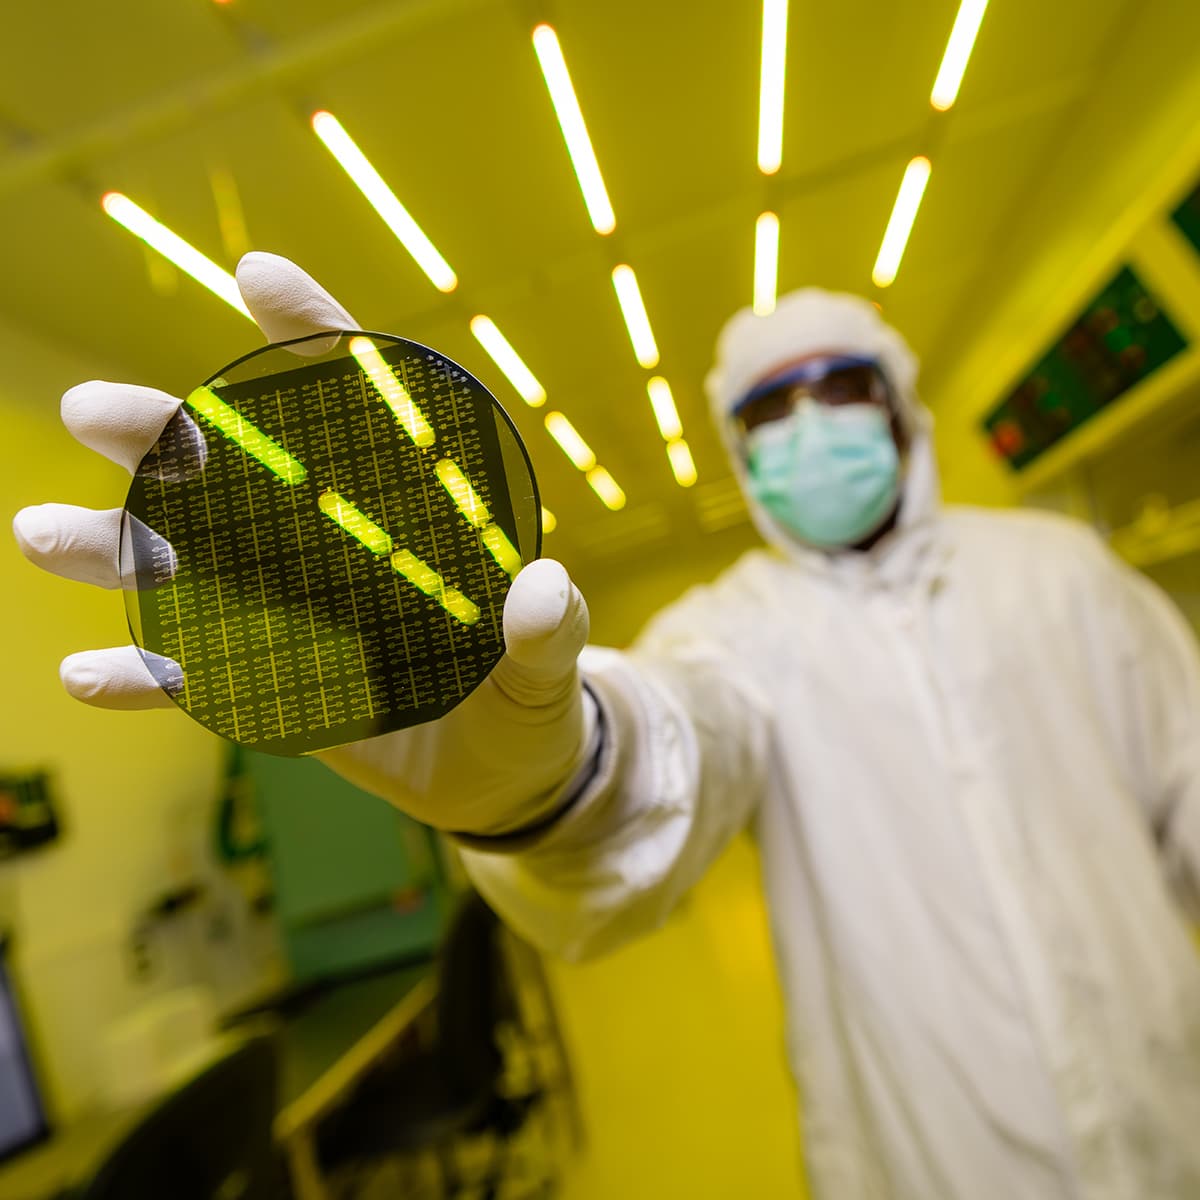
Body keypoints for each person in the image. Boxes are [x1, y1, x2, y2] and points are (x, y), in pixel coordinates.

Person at [13, 253, 1200, 1199]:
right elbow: (687, 729)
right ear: (742, 454)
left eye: (844, 388)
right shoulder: (739, 630)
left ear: (903, 411)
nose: (813, 424)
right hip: (933, 1160)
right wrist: (555, 771)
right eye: (774, 408)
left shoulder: (1066, 576)